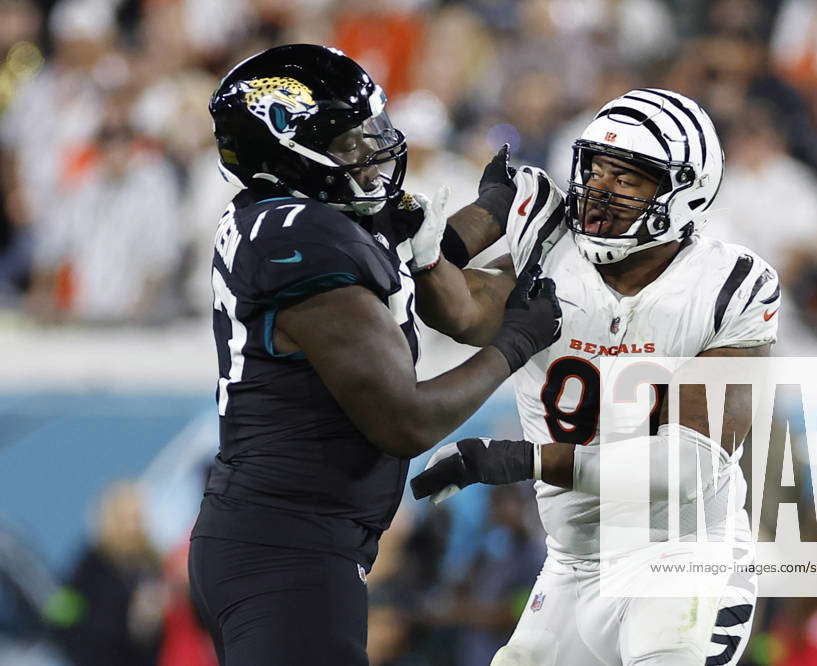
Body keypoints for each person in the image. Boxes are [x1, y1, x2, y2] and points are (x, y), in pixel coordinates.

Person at [187, 44, 562, 666]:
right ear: (286, 153)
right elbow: (404, 420)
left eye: (372, 130)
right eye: (350, 141)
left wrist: (497, 209)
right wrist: (515, 344)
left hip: (280, 541)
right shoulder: (304, 238)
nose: (374, 150)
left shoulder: (300, 217)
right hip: (288, 552)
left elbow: (420, 250)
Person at [409, 89, 781, 665]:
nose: (601, 191)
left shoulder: (729, 286)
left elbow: (686, 468)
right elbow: (458, 310)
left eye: (628, 177)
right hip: (573, 563)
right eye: (596, 169)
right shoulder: (550, 251)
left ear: (686, 191)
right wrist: (430, 253)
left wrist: (526, 458)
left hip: (681, 556)